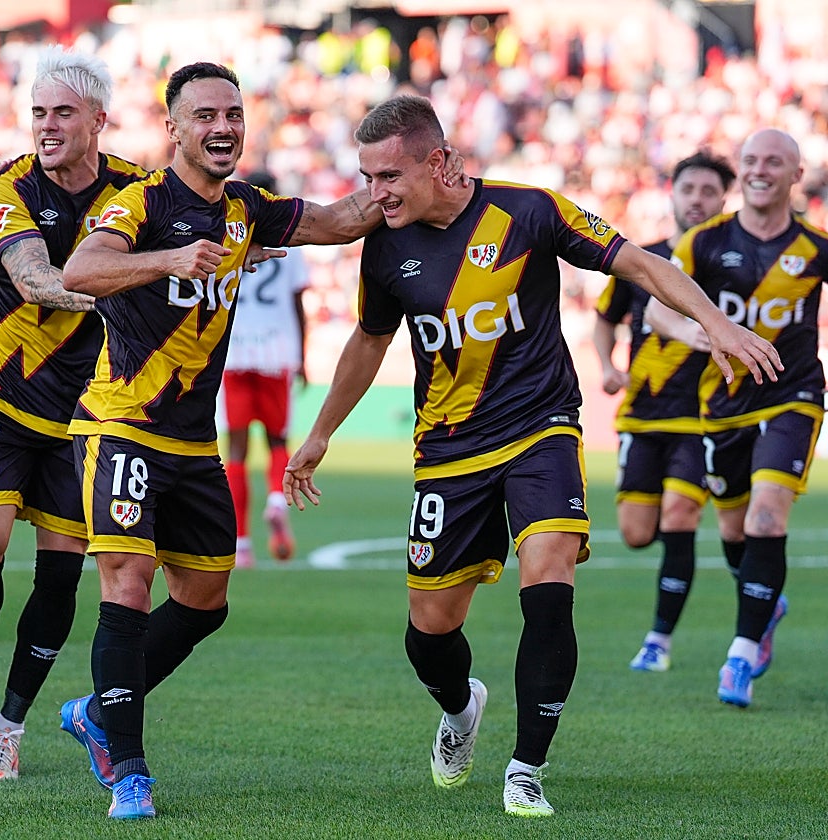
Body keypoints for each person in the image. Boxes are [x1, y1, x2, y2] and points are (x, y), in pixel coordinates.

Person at [283, 95, 780, 818]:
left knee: (548, 581)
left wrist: (717, 323)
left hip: (541, 428)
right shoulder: (386, 246)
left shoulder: (530, 211)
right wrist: (322, 432)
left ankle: (526, 768)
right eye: (368, 177)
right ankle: (461, 707)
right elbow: (369, 340)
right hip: (448, 448)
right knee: (430, 630)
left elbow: (639, 264)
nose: (375, 193)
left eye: (389, 175)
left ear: (438, 161)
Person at [56, 64, 464, 821]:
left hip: (190, 443)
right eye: (205, 115)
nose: (223, 127)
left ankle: (95, 709)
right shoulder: (140, 202)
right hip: (120, 427)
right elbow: (82, 270)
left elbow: (340, 222)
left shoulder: (247, 209)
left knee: (205, 602)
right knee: (127, 581)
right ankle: (131, 773)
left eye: (233, 115)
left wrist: (419, 181)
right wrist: (169, 258)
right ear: (173, 128)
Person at [0, 46, 149, 782]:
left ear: (98, 120)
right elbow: (34, 278)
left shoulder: (139, 191)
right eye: (38, 112)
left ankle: (9, 727)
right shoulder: (7, 188)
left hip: (87, 418)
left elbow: (207, 226)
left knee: (60, 575)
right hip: (7, 398)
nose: (46, 126)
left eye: (63, 113)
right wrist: (141, 272)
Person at [646, 128, 822, 708]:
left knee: (767, 520)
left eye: (773, 161)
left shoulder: (816, 246)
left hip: (793, 394)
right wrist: (696, 332)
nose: (759, 170)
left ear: (796, 175)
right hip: (722, 405)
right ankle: (766, 604)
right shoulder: (704, 241)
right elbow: (656, 309)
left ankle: (741, 656)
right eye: (750, 160)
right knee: (735, 531)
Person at [592, 151, 735, 672]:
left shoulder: (731, 263)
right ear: (672, 194)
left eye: (708, 191)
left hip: (701, 418)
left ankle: (659, 641)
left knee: (679, 515)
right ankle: (738, 563)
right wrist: (607, 364)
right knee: (636, 532)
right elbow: (605, 318)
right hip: (642, 414)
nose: (697, 199)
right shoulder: (640, 260)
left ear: (724, 199)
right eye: (688, 189)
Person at [221, 169, 311, 568]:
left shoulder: (231, 236)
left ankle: (241, 543)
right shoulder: (293, 245)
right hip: (277, 351)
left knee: (236, 450)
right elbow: (298, 304)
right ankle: (276, 499)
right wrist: (302, 358)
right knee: (278, 441)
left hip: (236, 350)